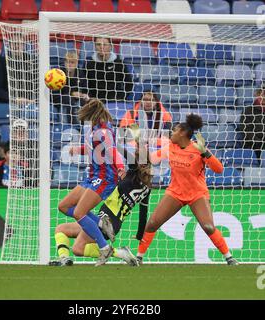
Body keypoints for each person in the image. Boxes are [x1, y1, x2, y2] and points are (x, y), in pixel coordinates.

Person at [136, 114, 239, 265]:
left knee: (208, 227)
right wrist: (139, 146)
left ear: (183, 133)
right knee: (152, 223)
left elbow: (219, 169)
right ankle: (139, 257)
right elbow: (151, 158)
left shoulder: (198, 149)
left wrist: (206, 152)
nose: (171, 132)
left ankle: (229, 257)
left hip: (197, 194)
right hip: (175, 192)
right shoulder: (170, 147)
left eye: (175, 130)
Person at [49, 144, 152, 266]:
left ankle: (119, 253)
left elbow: (125, 154)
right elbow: (143, 215)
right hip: (108, 221)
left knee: (78, 248)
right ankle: (64, 259)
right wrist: (140, 234)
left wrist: (111, 143)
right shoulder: (147, 188)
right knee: (61, 229)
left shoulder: (133, 173)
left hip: (108, 219)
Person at [57, 98, 125, 266]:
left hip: (104, 178)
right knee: (64, 206)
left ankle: (104, 248)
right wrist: (78, 150)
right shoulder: (92, 129)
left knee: (80, 213)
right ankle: (101, 222)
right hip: (92, 177)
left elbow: (112, 150)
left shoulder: (103, 131)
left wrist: (121, 166)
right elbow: (92, 149)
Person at [84, 37, 133, 102]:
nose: (101, 47)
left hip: (115, 101)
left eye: (104, 44)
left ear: (110, 46)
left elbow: (129, 83)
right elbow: (84, 84)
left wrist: (121, 98)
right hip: (95, 101)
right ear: (95, 47)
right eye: (98, 44)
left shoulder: (119, 63)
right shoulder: (89, 64)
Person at [0, 33, 37, 103]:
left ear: (24, 45)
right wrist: (15, 99)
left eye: (19, 44)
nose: (16, 46)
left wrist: (32, 100)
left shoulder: (32, 61)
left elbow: (37, 85)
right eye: (14, 43)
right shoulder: (2, 62)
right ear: (9, 45)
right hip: (8, 103)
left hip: (31, 103)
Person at [52, 50, 89, 124]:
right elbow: (55, 95)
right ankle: (72, 125)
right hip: (60, 99)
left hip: (77, 99)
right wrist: (72, 93)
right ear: (64, 63)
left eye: (72, 62)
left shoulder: (80, 73)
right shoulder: (59, 74)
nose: (69, 64)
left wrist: (83, 95)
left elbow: (85, 89)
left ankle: (86, 128)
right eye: (67, 62)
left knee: (86, 101)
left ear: (76, 63)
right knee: (68, 99)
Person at [238, 86, 265, 164]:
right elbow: (246, 131)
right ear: (257, 95)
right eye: (262, 94)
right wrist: (260, 143)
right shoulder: (248, 110)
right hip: (252, 147)